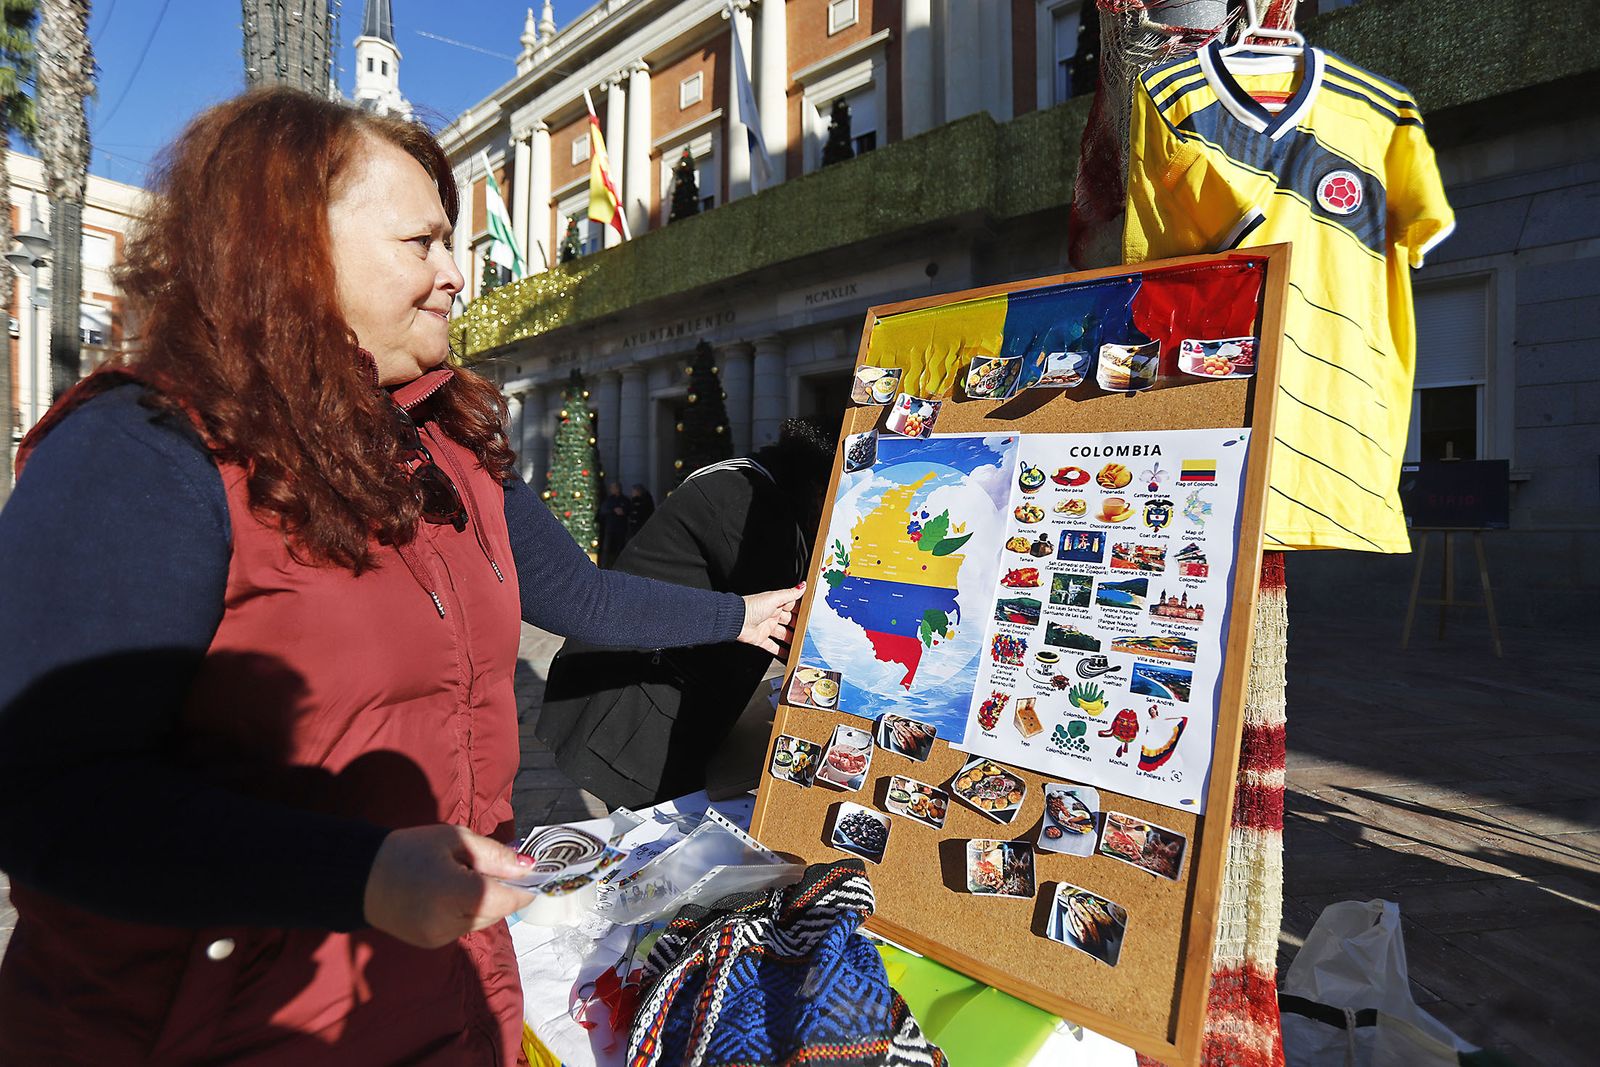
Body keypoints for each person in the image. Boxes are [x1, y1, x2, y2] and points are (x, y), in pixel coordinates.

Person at [0, 88, 801, 1066]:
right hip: (205, 1027)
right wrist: (362, 873)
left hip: (447, 995)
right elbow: (50, 796)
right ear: (287, 245)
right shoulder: (143, 447)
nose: (459, 274)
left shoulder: (450, 448)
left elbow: (579, 596)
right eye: (421, 242)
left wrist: (742, 613)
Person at [538, 419, 836, 808]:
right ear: (816, 488)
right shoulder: (749, 500)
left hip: (658, 688)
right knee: (652, 835)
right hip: (638, 702)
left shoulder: (750, 483)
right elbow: (787, 610)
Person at [596, 480, 629, 567]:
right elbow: (603, 511)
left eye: (615, 488)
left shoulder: (625, 500)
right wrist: (613, 511)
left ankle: (621, 565)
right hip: (610, 527)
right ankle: (605, 565)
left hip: (621, 527)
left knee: (620, 547)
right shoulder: (608, 500)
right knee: (607, 548)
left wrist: (623, 511)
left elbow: (628, 510)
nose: (613, 489)